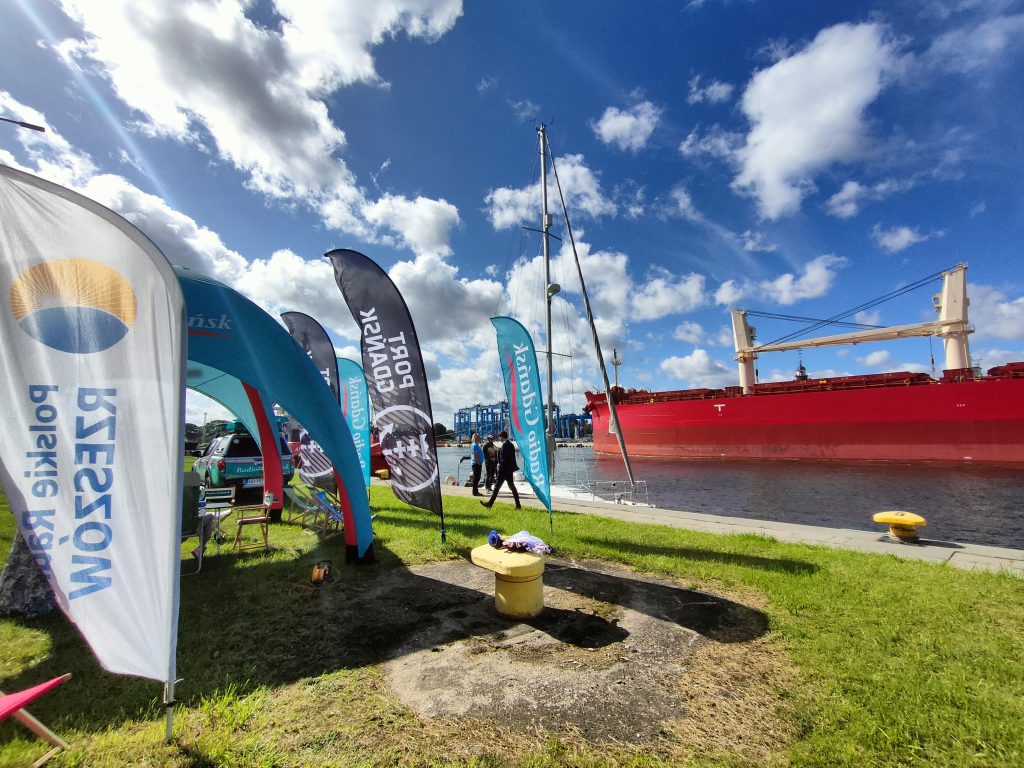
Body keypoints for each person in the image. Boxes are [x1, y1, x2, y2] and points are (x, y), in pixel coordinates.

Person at [480, 431, 520, 509]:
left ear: (502, 436)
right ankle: (518, 505)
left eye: (499, 437)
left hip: (503, 470)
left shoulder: (505, 445)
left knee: (497, 486)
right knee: (512, 487)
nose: (499, 439)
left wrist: (499, 468)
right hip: (509, 469)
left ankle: (490, 503)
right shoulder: (511, 444)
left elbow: (503, 459)